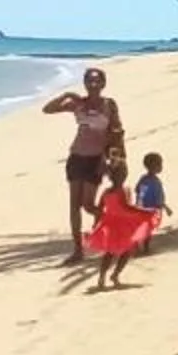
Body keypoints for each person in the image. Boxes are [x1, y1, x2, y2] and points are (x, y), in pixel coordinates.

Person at [40, 69, 125, 263]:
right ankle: (78, 250)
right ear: (85, 83)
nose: (93, 84)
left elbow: (117, 133)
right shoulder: (78, 104)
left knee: (88, 205)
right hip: (76, 157)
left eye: (97, 81)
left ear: (103, 83)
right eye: (89, 81)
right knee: (74, 206)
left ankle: (114, 224)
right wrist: (66, 95)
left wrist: (111, 160)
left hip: (96, 159)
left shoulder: (109, 105)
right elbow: (47, 109)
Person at [82, 158, 160, 291]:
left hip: (110, 225)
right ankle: (115, 275)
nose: (124, 174)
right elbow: (127, 207)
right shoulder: (122, 190)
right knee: (126, 251)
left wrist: (96, 225)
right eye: (123, 172)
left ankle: (103, 277)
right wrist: (144, 211)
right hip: (122, 225)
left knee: (110, 253)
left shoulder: (106, 192)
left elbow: (100, 210)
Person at [131, 152, 170, 253]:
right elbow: (142, 193)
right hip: (149, 210)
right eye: (159, 164)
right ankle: (143, 247)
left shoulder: (146, 179)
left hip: (149, 209)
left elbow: (138, 190)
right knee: (146, 230)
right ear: (153, 166)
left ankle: (141, 246)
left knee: (146, 229)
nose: (161, 167)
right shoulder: (150, 181)